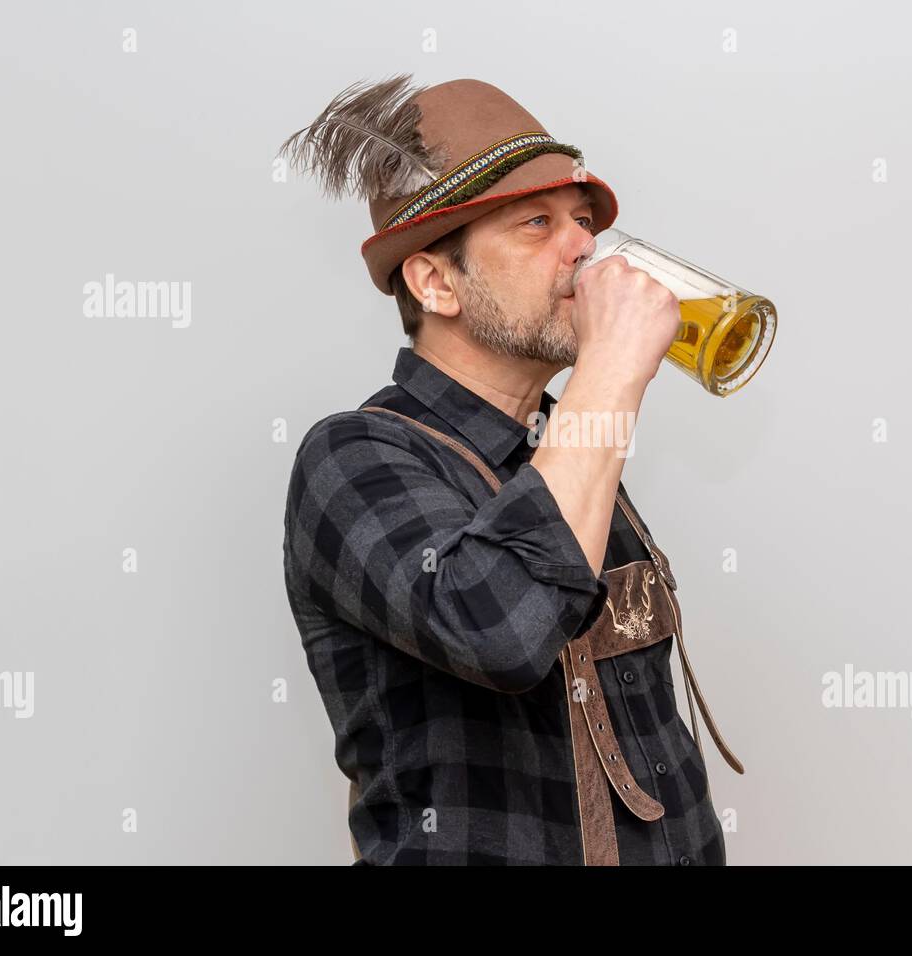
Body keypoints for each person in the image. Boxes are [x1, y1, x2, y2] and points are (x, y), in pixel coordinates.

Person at [280, 74, 741, 865]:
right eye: (536, 224)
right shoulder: (352, 457)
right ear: (435, 282)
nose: (585, 248)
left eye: (582, 221)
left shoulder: (563, 445)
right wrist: (612, 370)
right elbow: (501, 633)